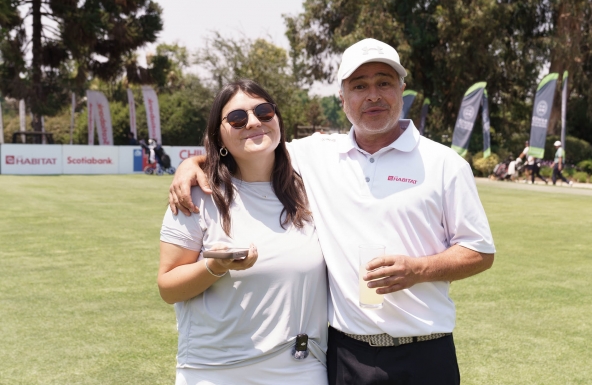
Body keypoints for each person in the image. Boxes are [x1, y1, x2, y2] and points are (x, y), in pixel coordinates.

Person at [169, 38, 495, 385]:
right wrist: (193, 163)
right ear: (342, 97)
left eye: (384, 82)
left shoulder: (444, 163)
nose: (373, 95)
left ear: (402, 89)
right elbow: (251, 145)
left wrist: (419, 269)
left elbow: (479, 251)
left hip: (425, 353)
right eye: (359, 86)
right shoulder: (317, 154)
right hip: (346, 356)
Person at [158, 80, 328, 385]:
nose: (253, 122)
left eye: (264, 112)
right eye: (237, 118)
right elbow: (168, 288)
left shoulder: (312, 186)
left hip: (301, 368)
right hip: (214, 371)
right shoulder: (197, 195)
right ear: (219, 134)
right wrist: (214, 266)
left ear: (277, 119)